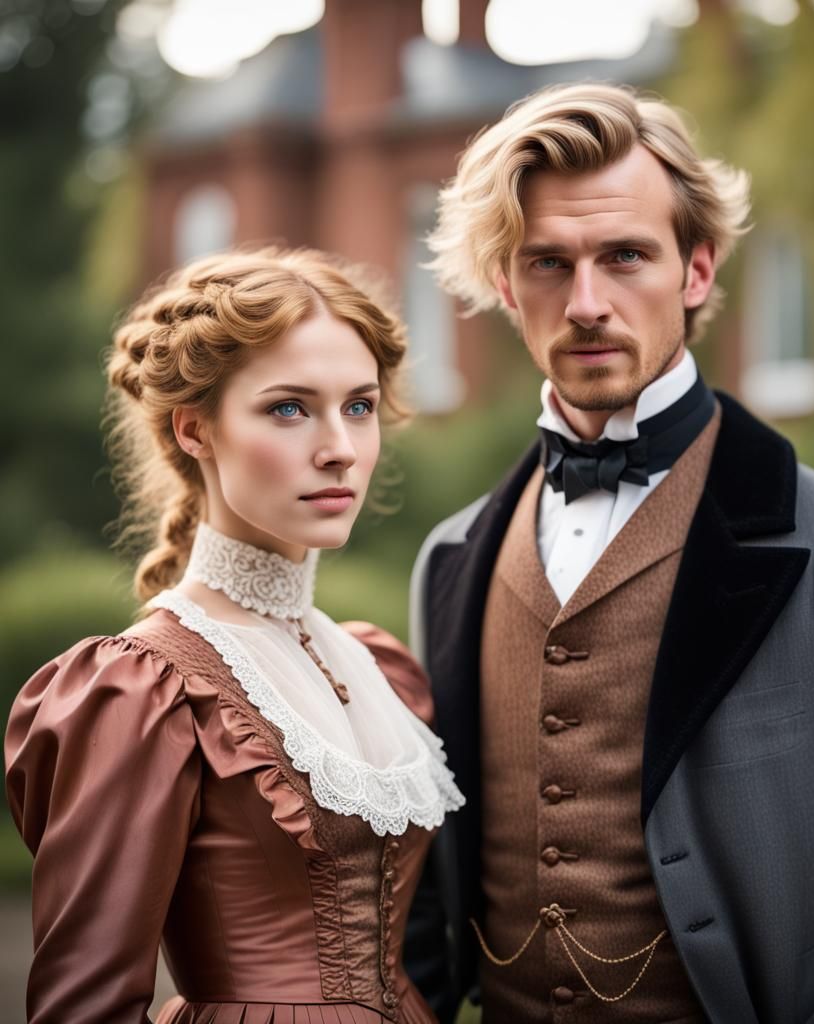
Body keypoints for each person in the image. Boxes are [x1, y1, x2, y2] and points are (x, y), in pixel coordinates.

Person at [406, 83, 814, 1022]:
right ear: (503, 284)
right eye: (548, 262)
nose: (586, 303)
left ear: (696, 271)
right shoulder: (449, 561)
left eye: (625, 256)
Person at [5, 247, 464, 1023]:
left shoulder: (379, 666)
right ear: (195, 429)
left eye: (358, 407)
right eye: (289, 408)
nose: (340, 448)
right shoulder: (142, 690)